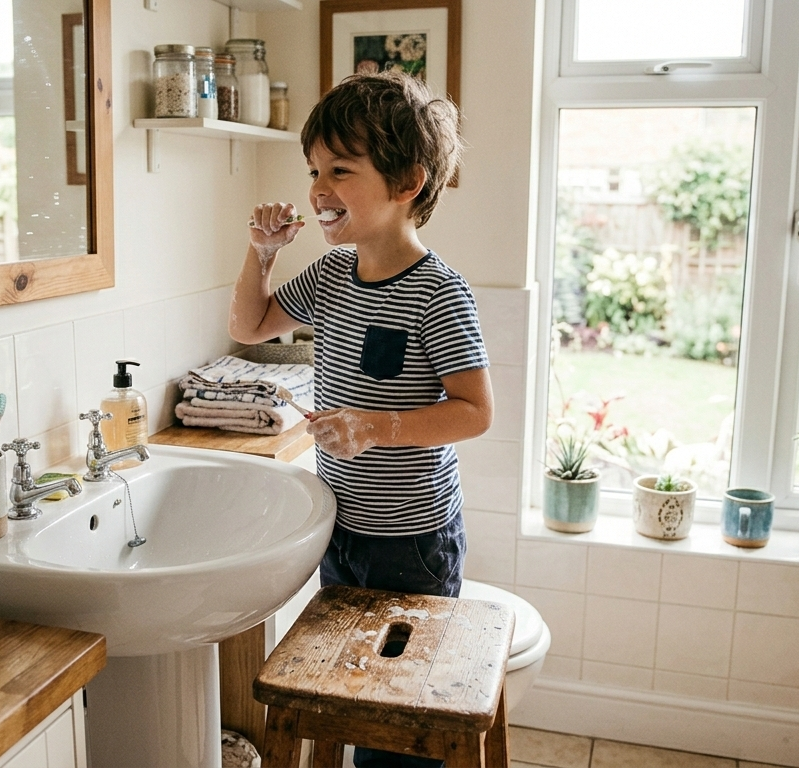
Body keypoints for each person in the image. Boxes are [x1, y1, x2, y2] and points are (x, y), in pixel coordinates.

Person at [228, 72, 493, 768]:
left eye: (341, 170)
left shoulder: (439, 292)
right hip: (344, 531)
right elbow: (250, 325)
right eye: (314, 169)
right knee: (350, 697)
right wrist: (261, 255)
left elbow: (475, 412)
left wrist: (377, 426)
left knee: (394, 732)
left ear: (408, 181)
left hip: (412, 543)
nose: (318, 188)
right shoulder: (329, 274)